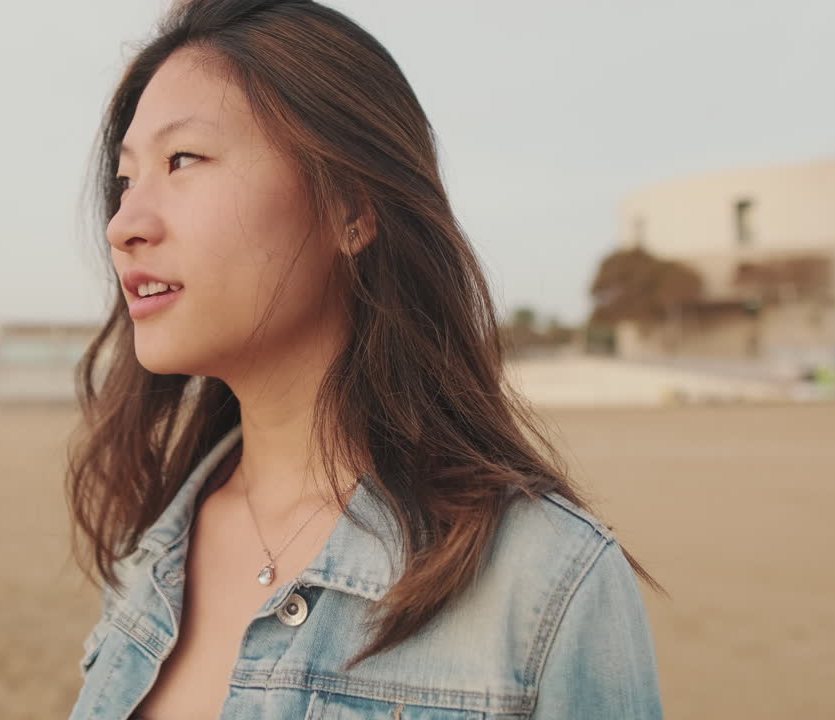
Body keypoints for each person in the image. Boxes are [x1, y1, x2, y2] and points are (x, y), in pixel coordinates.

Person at [66, 1, 663, 717]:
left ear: (350, 207)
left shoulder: (544, 584)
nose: (124, 224)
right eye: (126, 181)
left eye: (183, 159)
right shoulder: (147, 554)